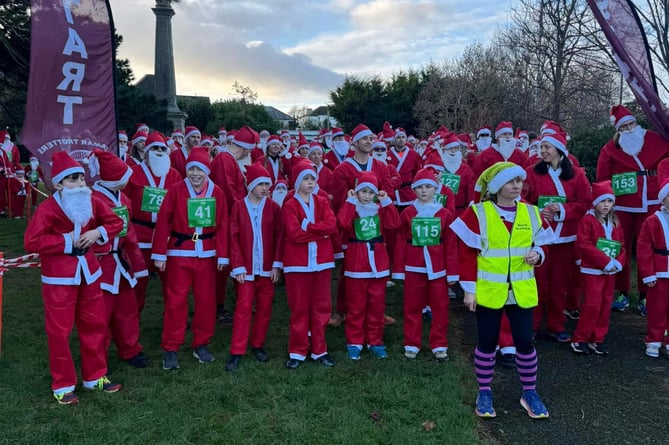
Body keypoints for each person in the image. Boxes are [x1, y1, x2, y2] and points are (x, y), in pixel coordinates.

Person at [450, 162, 554, 419]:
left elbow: (544, 245)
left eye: (519, 180)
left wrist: (538, 254)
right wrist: (469, 289)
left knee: (524, 342)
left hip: (521, 290)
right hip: (488, 291)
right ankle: (484, 391)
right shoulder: (477, 213)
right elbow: (465, 254)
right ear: (497, 187)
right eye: (510, 181)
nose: (517, 186)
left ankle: (529, 392)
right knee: (486, 343)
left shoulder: (531, 212)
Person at [24, 151, 124, 405]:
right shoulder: (47, 209)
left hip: (89, 273)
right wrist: (66, 241)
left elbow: (115, 222)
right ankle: (63, 384)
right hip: (59, 279)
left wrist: (96, 233)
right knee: (59, 331)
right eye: (72, 179)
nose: (80, 183)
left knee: (94, 324)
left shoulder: (92, 201)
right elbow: (31, 241)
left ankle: (95, 376)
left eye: (81, 177)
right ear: (58, 184)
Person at [152, 147, 229, 370]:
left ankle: (201, 343)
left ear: (207, 171)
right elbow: (164, 221)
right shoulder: (176, 190)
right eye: (192, 169)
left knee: (206, 301)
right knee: (176, 301)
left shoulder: (218, 192)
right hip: (179, 253)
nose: (195, 174)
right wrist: (159, 254)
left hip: (206, 253)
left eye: (200, 169)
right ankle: (171, 347)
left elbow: (223, 225)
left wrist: (223, 254)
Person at [596, 105, 669, 313]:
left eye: (631, 124)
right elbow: (603, 178)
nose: (629, 129)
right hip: (622, 205)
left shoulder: (656, 139)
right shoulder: (610, 149)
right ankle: (621, 290)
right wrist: (604, 203)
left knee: (650, 248)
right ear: (618, 129)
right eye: (624, 126)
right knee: (620, 246)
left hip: (651, 201)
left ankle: (647, 293)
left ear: (636, 123)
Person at [523, 132, 591, 342]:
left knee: (559, 285)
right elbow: (521, 199)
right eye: (541, 147)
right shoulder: (531, 172)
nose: (542, 151)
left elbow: (585, 202)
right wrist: (536, 211)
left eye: (547, 147)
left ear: (559, 150)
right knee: (537, 282)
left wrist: (562, 210)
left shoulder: (577, 175)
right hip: (540, 237)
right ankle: (532, 325)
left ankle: (555, 324)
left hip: (565, 238)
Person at [88, 149, 149, 368]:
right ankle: (97, 360)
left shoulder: (124, 198)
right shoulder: (92, 199)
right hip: (101, 264)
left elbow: (129, 233)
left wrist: (138, 264)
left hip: (121, 263)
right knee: (100, 315)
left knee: (127, 309)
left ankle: (130, 349)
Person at [392, 168, 458, 362]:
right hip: (414, 266)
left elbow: (451, 244)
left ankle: (439, 344)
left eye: (428, 187)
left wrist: (452, 272)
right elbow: (400, 241)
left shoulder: (444, 213)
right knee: (412, 307)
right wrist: (398, 270)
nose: (423, 191)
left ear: (435, 189)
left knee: (440, 307)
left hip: (438, 268)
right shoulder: (408, 213)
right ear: (414, 190)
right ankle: (411, 343)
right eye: (419, 187)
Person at [225, 164, 284, 371]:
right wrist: (238, 266)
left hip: (267, 268)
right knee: (243, 308)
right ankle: (237, 350)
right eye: (260, 183)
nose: (264, 188)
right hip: (247, 269)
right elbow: (233, 238)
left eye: (267, 184)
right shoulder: (239, 206)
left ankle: (258, 344)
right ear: (250, 185)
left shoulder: (274, 208)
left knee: (265, 307)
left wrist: (277, 264)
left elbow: (279, 238)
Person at [337, 172, 400, 360]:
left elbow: (394, 224)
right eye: (362, 191)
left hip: (377, 264)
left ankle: (375, 340)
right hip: (357, 264)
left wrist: (387, 201)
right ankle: (354, 341)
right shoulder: (353, 209)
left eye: (369, 192)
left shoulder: (379, 209)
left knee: (376, 305)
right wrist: (349, 201)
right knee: (356, 306)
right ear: (357, 192)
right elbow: (342, 222)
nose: (366, 196)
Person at [282, 162, 337, 369]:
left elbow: (331, 226)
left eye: (313, 178)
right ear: (297, 182)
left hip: (322, 262)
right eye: (306, 179)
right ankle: (297, 351)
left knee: (321, 307)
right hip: (297, 264)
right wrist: (319, 233)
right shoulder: (290, 204)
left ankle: (319, 350)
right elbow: (294, 234)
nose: (310, 182)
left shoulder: (322, 201)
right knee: (299, 308)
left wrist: (309, 226)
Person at [126, 132, 182, 315]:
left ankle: (174, 317)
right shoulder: (133, 173)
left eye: (162, 149)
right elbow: (124, 202)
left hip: (166, 237)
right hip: (140, 235)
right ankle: (132, 317)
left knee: (172, 281)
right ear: (146, 151)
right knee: (138, 280)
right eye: (154, 148)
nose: (158, 152)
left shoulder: (174, 175)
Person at [570, 181, 625, 355]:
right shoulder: (587, 220)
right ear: (595, 202)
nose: (606, 205)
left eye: (609, 201)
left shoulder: (615, 221)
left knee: (606, 304)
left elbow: (621, 245)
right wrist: (605, 262)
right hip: (593, 271)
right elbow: (584, 244)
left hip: (610, 272)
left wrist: (618, 262)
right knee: (592, 305)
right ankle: (580, 338)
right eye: (602, 201)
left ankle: (597, 338)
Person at [212, 126, 258, 324]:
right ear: (246, 149)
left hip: (228, 217)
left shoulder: (226, 159)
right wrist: (244, 209)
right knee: (222, 264)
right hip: (226, 218)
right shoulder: (225, 159)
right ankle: (217, 306)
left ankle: (222, 304)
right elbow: (228, 192)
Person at [637, 178, 669, 358]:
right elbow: (643, 248)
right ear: (662, 199)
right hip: (659, 270)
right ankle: (653, 340)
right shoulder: (652, 221)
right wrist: (648, 274)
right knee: (657, 307)